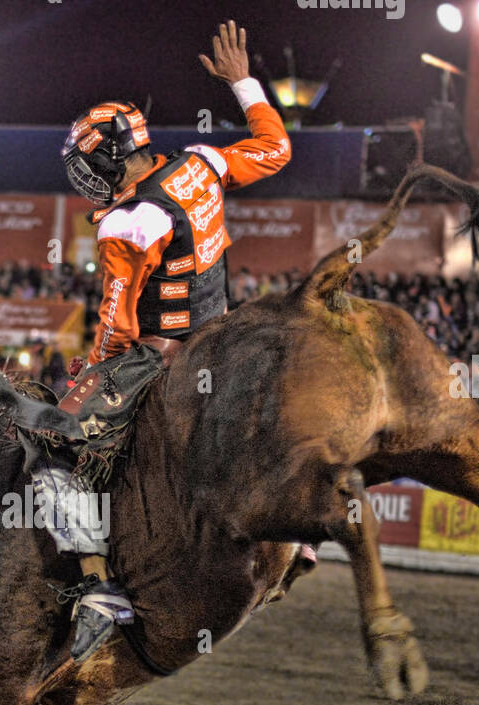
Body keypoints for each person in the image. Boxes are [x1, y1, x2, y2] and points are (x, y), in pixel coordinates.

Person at [23, 19, 292, 661]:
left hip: (159, 354)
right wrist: (242, 83)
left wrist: (89, 375)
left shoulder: (125, 220)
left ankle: (97, 587)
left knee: (52, 449)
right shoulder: (198, 165)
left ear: (111, 158)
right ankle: (298, 533)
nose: (84, 175)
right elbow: (274, 150)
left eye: (89, 163)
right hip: (224, 338)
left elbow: (117, 322)